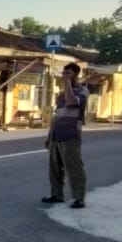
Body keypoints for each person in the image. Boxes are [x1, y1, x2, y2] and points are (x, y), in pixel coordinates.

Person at [42, 62, 90, 209]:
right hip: (57, 134)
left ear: (76, 75)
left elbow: (71, 103)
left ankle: (79, 198)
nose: (64, 75)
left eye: (68, 73)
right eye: (64, 73)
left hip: (70, 134)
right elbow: (57, 115)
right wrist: (49, 135)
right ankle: (57, 195)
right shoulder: (62, 94)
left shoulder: (82, 91)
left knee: (74, 167)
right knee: (54, 168)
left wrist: (68, 83)